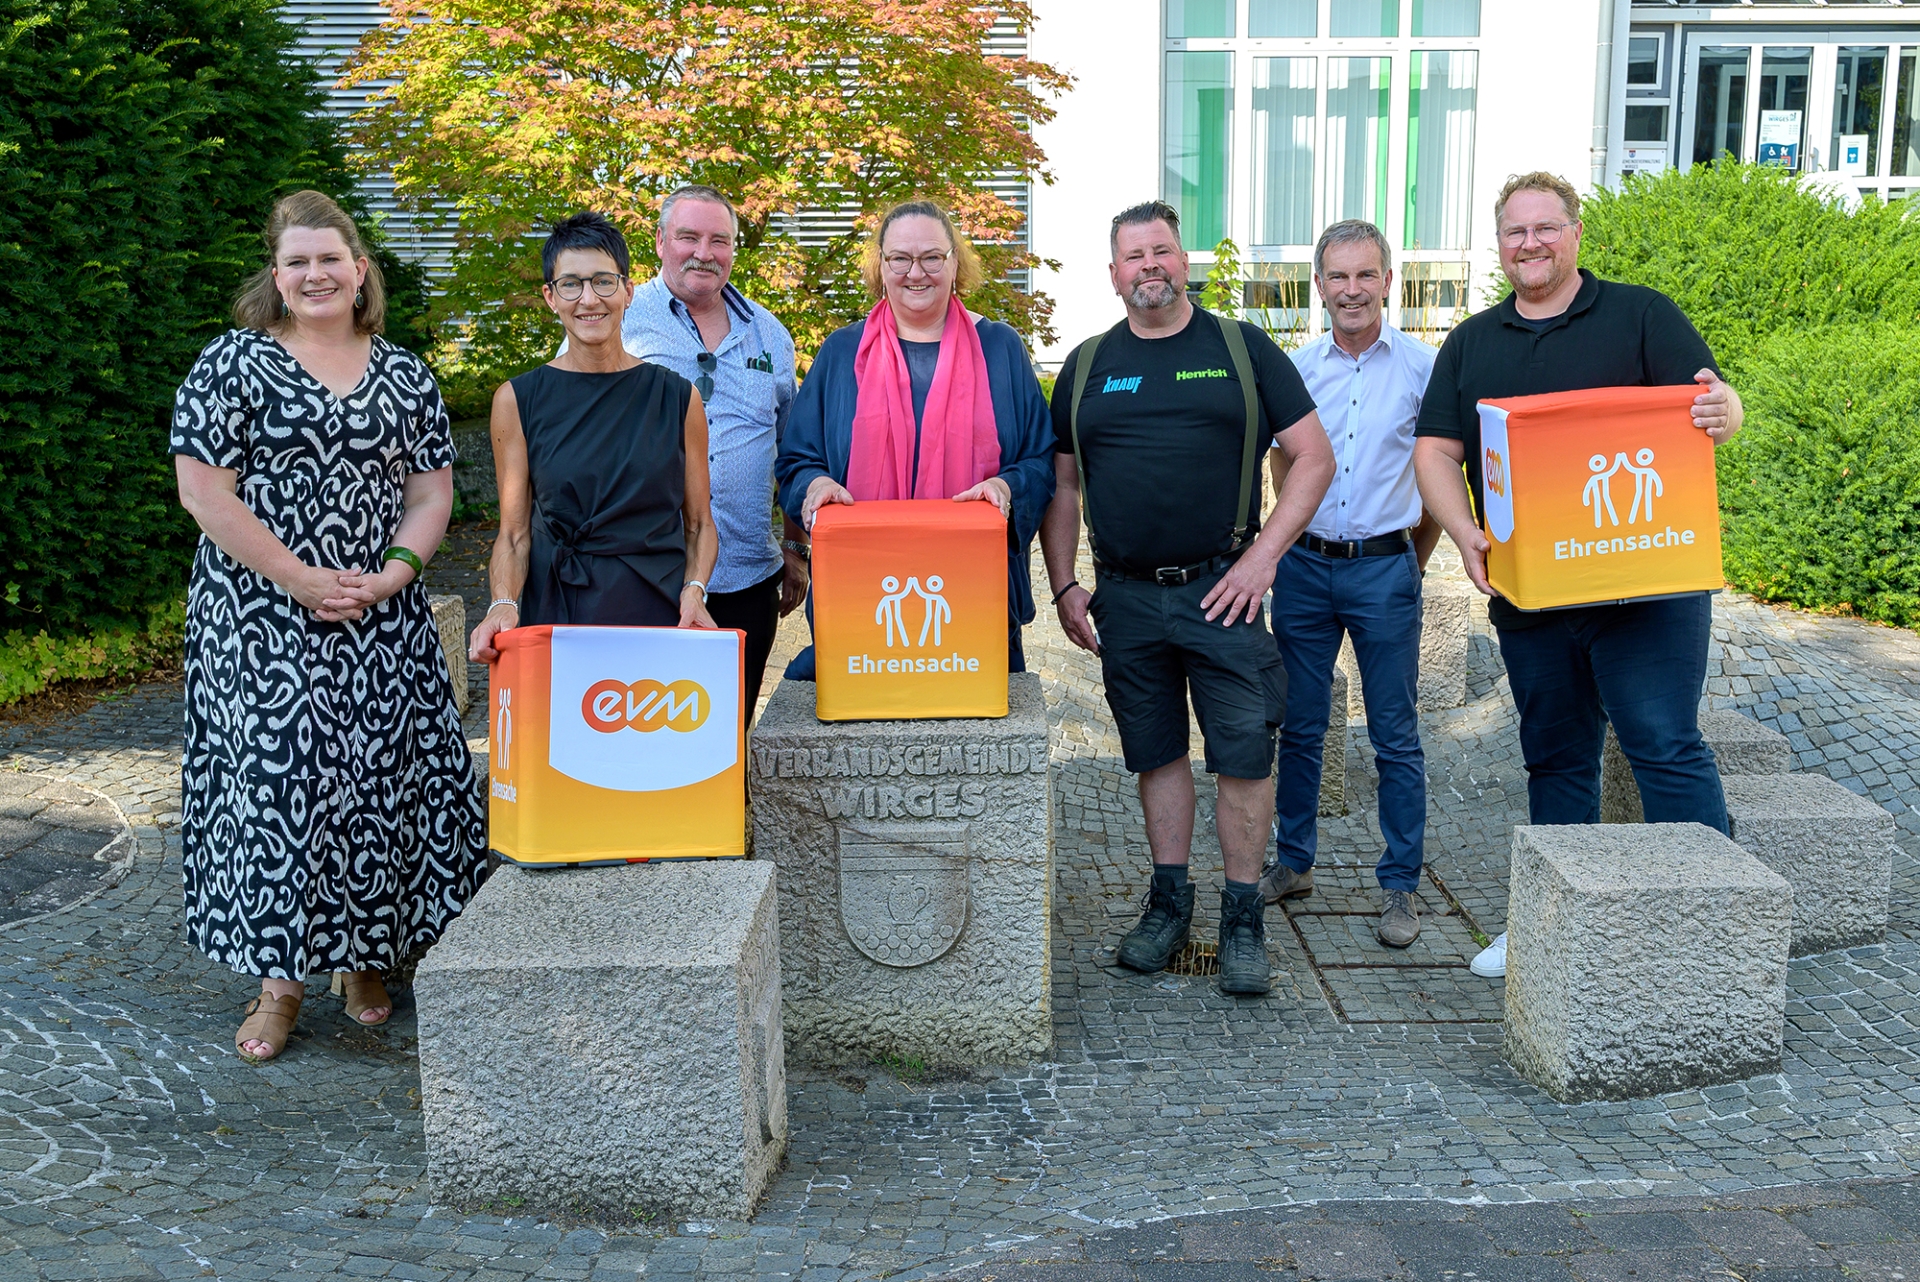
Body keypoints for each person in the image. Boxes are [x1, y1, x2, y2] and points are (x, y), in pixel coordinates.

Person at [170, 190, 487, 1064]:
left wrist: (393, 576)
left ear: (359, 270)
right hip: (263, 618)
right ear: (276, 277)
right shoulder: (232, 364)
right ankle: (280, 982)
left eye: (330, 258)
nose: (315, 274)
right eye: (297, 261)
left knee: (382, 782)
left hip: (380, 619)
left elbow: (430, 495)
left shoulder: (405, 373)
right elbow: (204, 492)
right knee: (282, 787)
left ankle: (365, 959)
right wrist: (302, 579)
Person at [1411, 172, 1744, 979]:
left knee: (1664, 746)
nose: (1530, 244)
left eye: (1545, 228)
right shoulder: (1474, 340)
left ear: (1575, 233)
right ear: (1500, 245)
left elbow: (1710, 406)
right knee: (1555, 759)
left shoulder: (1642, 314)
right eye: (1514, 232)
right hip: (1533, 596)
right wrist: (1464, 534)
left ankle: (1712, 930)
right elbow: (1435, 452)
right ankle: (1550, 926)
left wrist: (1726, 409)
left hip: (1647, 594)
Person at [1041, 201, 1336, 997]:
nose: (1149, 267)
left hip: (1225, 594)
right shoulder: (1087, 364)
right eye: (1133, 256)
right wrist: (1064, 583)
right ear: (1113, 273)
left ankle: (1244, 916)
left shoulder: (1241, 349)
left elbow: (1312, 458)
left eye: (1162, 252)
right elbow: (1062, 484)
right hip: (1127, 600)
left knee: (1243, 754)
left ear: (1184, 260)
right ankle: (1170, 901)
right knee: (1156, 751)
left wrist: (1264, 559)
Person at [774, 199, 1055, 674]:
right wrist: (815, 485)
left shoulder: (1001, 349)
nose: (915, 272)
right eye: (900, 258)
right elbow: (797, 459)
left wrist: (1007, 487)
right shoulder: (842, 353)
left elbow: (1041, 461)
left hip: (974, 597)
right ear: (880, 265)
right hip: (862, 596)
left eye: (931, 257)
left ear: (955, 262)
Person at [1262, 220, 1441, 949]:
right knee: (1300, 726)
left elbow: (1439, 477)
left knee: (1395, 735)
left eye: (1366, 275)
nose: (1352, 290)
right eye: (1338, 277)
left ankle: (1400, 885)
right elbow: (1283, 464)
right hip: (1304, 568)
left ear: (1389, 282)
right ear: (1319, 285)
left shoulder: (1425, 369)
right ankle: (1293, 861)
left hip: (1384, 568)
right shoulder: (1296, 369)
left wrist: (1408, 561)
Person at [469, 212, 718, 666]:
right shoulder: (517, 400)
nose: (589, 299)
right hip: (558, 614)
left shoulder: (679, 399)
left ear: (628, 290)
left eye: (603, 282)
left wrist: (695, 591)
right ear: (550, 296)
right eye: (571, 284)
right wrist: (502, 602)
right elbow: (513, 533)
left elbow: (699, 524)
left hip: (659, 615)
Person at [615, 185, 803, 711]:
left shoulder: (770, 336)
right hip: (646, 575)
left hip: (746, 574)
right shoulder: (617, 321)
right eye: (688, 237)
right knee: (652, 733)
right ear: (659, 242)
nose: (704, 252)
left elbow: (793, 454)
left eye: (719, 240)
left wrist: (796, 549)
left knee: (731, 731)